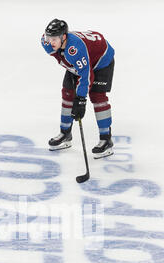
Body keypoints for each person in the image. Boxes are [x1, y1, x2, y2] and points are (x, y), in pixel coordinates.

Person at [41, 19, 115, 158]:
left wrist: (81, 99)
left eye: (54, 39)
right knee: (68, 93)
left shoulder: (75, 49)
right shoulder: (48, 43)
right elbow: (69, 61)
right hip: (80, 60)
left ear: (64, 37)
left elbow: (86, 74)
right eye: (48, 38)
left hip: (101, 60)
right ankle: (65, 134)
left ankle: (106, 140)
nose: (50, 42)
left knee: (97, 97)